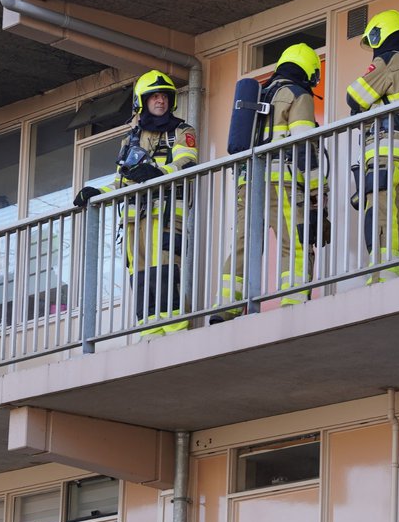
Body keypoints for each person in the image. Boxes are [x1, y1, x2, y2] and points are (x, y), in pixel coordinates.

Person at [73, 71, 198, 334]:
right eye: (154, 96)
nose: (161, 101)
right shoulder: (130, 140)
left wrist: (158, 174)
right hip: (133, 220)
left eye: (164, 96)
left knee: (165, 271)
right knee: (140, 277)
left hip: (164, 215)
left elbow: (187, 162)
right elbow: (122, 181)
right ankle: (149, 333)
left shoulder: (181, 131)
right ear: (143, 102)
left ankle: (176, 331)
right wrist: (97, 191)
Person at [221, 43, 325, 316]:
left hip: (249, 184)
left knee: (244, 243)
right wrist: (317, 192)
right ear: (309, 71)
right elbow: (304, 145)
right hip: (284, 182)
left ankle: (227, 304)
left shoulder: (260, 95)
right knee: (296, 241)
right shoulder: (297, 94)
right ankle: (293, 298)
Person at [345, 9, 399, 282]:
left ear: (381, 35)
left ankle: (383, 271)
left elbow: (356, 96)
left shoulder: (391, 59)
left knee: (381, 209)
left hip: (385, 149)